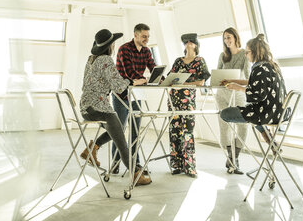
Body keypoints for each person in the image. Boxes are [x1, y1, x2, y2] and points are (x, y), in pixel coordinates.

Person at [79, 29, 151, 186]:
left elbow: (97, 82)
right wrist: (134, 82)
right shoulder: (105, 59)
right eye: (113, 43)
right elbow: (119, 87)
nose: (114, 46)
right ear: (109, 46)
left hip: (86, 108)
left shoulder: (91, 59)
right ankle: (135, 175)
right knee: (121, 140)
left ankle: (92, 149)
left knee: (118, 128)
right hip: (98, 108)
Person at [220, 34, 287, 154]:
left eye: (247, 52)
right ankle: (271, 142)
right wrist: (233, 81)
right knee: (253, 114)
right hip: (278, 112)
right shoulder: (271, 66)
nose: (246, 55)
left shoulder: (259, 69)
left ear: (254, 52)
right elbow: (255, 83)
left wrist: (237, 88)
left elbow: (257, 94)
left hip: (266, 113)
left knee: (225, 114)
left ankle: (233, 152)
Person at [112, 23, 156, 174]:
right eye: (144, 36)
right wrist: (143, 80)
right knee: (120, 129)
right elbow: (129, 72)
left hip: (137, 94)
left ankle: (135, 163)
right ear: (135, 35)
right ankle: (115, 163)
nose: (146, 39)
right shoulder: (124, 49)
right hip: (121, 94)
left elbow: (153, 66)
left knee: (136, 130)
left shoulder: (146, 51)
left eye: (148, 37)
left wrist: (161, 78)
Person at [168, 33, 211, 178]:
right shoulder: (178, 61)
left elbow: (201, 82)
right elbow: (170, 79)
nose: (188, 43)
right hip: (173, 99)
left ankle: (190, 167)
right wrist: (178, 83)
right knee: (174, 132)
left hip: (188, 101)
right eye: (185, 42)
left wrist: (184, 84)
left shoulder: (200, 61)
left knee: (187, 133)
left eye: (190, 41)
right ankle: (176, 165)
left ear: (196, 44)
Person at [215, 27, 250, 174]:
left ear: (235, 37)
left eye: (229, 37)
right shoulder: (222, 56)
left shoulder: (244, 55)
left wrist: (233, 82)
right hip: (222, 95)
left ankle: (234, 157)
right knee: (225, 127)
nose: (227, 40)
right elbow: (217, 77)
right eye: (224, 38)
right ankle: (232, 160)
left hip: (238, 95)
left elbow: (248, 79)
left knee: (243, 127)